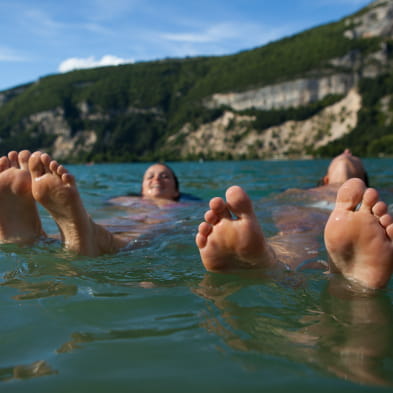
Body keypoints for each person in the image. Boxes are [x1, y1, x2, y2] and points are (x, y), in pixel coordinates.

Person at [195, 150, 393, 290]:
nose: (347, 151)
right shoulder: (298, 193)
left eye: (352, 155)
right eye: (343, 153)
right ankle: (264, 264)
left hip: (358, 221)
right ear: (325, 179)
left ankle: (352, 279)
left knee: (298, 232)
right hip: (309, 217)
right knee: (296, 232)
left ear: (366, 181)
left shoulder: (379, 198)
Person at [107, 163, 181, 207]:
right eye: (150, 177)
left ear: (176, 191)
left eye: (164, 176)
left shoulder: (186, 205)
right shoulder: (125, 200)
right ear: (142, 190)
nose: (156, 179)